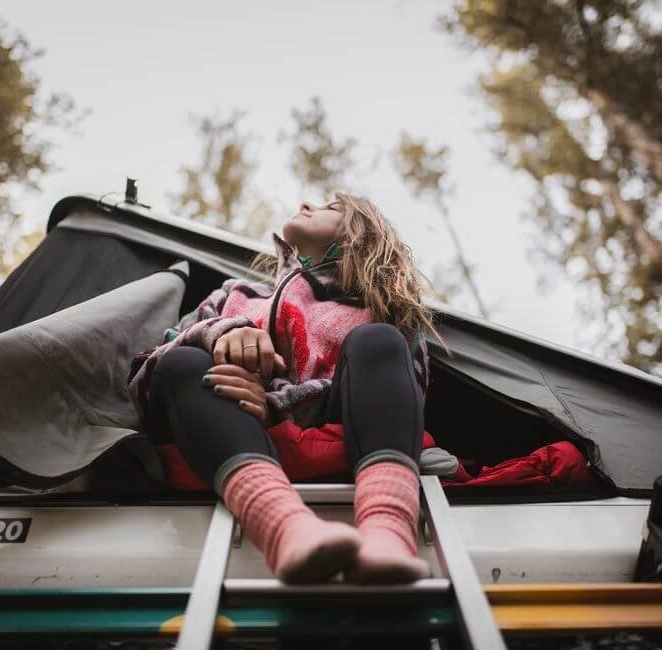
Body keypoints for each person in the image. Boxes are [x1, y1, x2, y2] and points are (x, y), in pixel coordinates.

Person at [127, 193, 444, 585]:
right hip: (223, 437)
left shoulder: (384, 307)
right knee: (182, 361)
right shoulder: (233, 296)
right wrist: (223, 333)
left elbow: (404, 398)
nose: (308, 202)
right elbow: (144, 375)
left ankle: (387, 535)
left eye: (331, 206)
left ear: (359, 232)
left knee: (378, 340)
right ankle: (287, 531)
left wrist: (275, 405)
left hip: (331, 438)